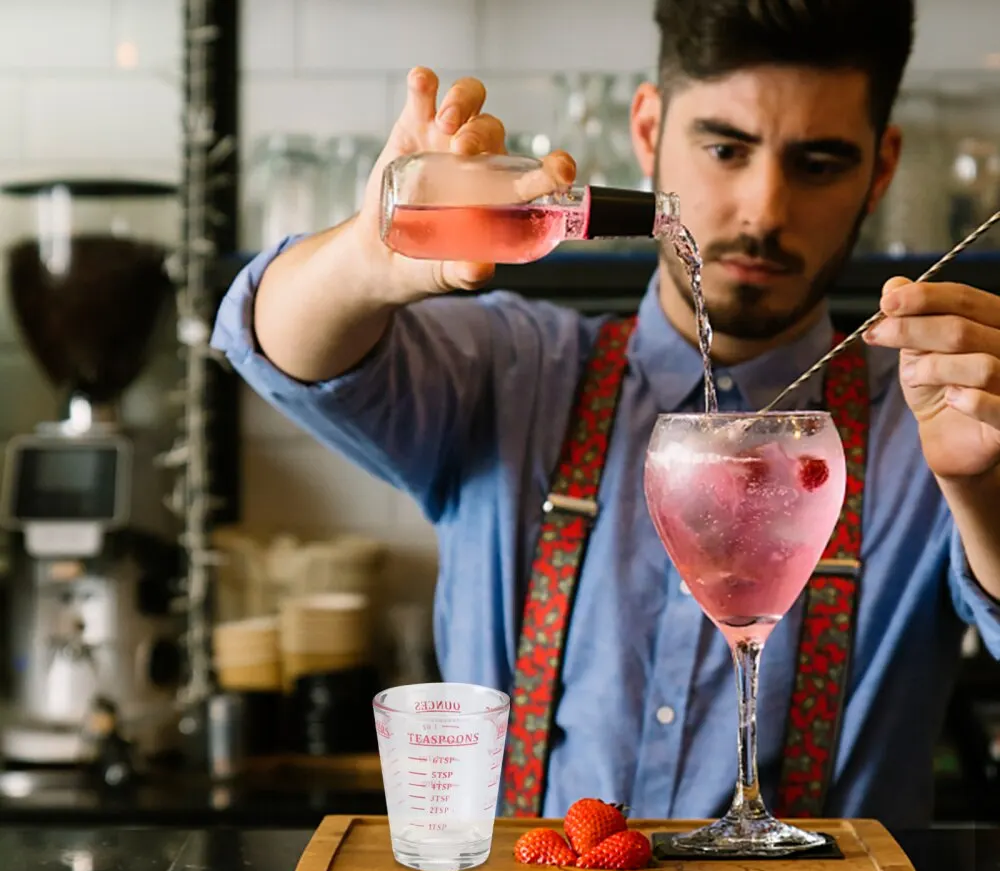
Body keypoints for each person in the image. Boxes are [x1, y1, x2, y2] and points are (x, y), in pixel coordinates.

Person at [213, 0, 1000, 828]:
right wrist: (366, 259)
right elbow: (277, 343)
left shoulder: (930, 418)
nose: (764, 211)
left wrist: (984, 484)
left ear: (881, 169)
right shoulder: (513, 371)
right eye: (725, 148)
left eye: (820, 163)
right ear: (649, 130)